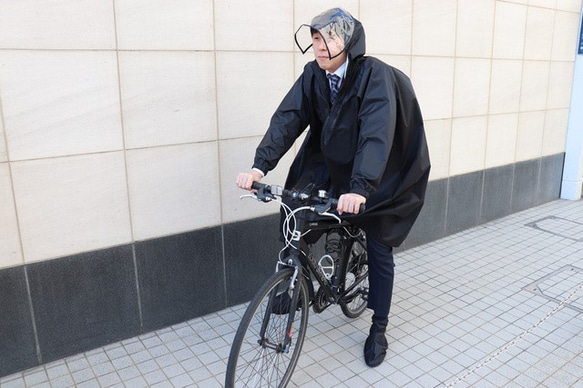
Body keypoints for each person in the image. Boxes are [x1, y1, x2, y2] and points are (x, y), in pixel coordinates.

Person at [236, 8, 430, 368]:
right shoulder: (313, 76)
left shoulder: (374, 76)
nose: (319, 47)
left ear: (348, 43)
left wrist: (361, 186)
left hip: (381, 174)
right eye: (314, 39)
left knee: (378, 243)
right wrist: (259, 165)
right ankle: (295, 285)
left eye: (328, 39)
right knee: (294, 210)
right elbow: (288, 118)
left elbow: (376, 133)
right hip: (332, 162)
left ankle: (379, 326)